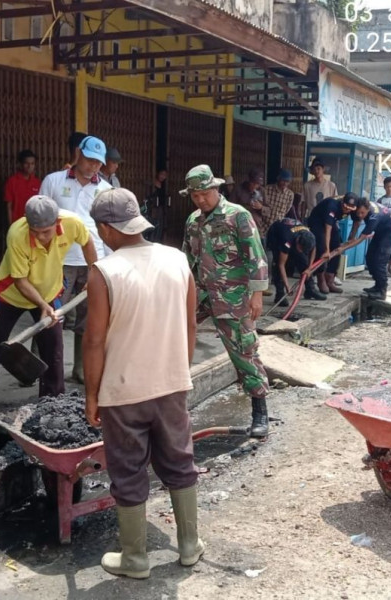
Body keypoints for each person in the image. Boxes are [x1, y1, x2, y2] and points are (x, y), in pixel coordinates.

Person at [83, 187, 202, 579]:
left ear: (106, 228)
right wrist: (177, 373)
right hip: (170, 386)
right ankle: (188, 546)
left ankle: (135, 559)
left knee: (129, 470)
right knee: (179, 461)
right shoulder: (177, 259)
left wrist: (92, 395)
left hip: (124, 391)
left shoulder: (103, 272)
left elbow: (95, 341)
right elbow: (189, 324)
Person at [0, 196, 97, 420]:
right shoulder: (17, 233)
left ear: (57, 222)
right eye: (35, 231)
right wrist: (43, 306)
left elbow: (87, 242)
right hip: (11, 294)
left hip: (50, 290)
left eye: (46, 231)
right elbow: (20, 280)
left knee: (53, 346)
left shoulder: (72, 223)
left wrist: (93, 271)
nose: (40, 236)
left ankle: (53, 403)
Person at [181, 165, 271, 438]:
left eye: (204, 194)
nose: (200, 200)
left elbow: (255, 255)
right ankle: (170, 408)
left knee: (243, 351)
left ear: (216, 189)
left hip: (232, 297)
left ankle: (260, 410)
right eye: (195, 195)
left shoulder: (237, 216)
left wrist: (257, 295)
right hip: (200, 293)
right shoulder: (193, 221)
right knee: (174, 339)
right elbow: (186, 260)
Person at [40, 135, 112, 383]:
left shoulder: (105, 190)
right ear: (78, 154)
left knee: (88, 318)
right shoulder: (53, 180)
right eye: (90, 159)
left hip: (93, 261)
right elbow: (41, 218)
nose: (94, 166)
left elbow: (108, 228)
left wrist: (109, 263)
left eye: (99, 163)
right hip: (59, 260)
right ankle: (40, 366)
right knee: (51, 314)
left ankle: (80, 369)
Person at [348, 197, 391, 301]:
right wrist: (351, 238)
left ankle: (382, 291)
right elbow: (357, 222)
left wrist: (345, 247)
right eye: (358, 213)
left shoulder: (374, 216)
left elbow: (362, 238)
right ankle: (377, 284)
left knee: (379, 261)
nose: (360, 215)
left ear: (367, 209)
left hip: (390, 232)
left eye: (362, 213)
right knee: (370, 258)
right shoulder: (360, 208)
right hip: (380, 232)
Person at [265, 217, 324, 306]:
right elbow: (281, 265)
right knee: (278, 263)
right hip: (276, 234)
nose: (301, 251)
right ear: (297, 241)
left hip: (293, 234)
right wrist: (287, 286)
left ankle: (310, 289)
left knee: (303, 260)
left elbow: (313, 250)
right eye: (300, 248)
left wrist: (309, 269)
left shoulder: (311, 236)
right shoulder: (286, 239)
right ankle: (280, 294)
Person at [308, 193, 358, 295]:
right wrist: (327, 250)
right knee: (321, 248)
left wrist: (352, 236)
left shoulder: (354, 208)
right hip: (317, 221)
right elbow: (328, 229)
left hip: (332, 221)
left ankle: (330, 279)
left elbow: (357, 221)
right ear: (342, 203)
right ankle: (321, 279)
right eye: (345, 207)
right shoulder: (332, 206)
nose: (347, 210)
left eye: (350, 209)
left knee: (337, 247)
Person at [4, 149, 40, 225]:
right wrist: (11, 226)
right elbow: (9, 207)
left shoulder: (37, 183)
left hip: (34, 225)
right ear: (20, 164)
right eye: (26, 163)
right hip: (17, 224)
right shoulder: (12, 182)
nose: (29, 166)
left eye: (32, 163)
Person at [262, 169, 296, 236]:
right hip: (264, 224)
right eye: (283, 180)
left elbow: (286, 210)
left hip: (278, 226)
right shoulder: (267, 189)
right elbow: (262, 205)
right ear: (278, 179)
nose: (285, 183)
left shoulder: (290, 194)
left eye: (287, 181)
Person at [145, 169, 169, 243]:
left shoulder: (164, 184)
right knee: (154, 224)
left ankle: (157, 240)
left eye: (165, 175)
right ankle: (152, 240)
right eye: (161, 174)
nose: (163, 177)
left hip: (161, 207)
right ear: (157, 173)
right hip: (154, 208)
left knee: (159, 225)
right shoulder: (153, 183)